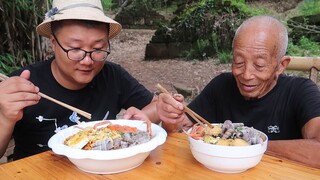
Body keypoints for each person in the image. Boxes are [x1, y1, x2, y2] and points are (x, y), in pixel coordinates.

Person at [0, 0, 159, 160]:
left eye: (97, 49)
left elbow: (156, 106)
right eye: (75, 49)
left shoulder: (113, 76)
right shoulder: (21, 86)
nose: (87, 61)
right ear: (53, 43)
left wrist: (140, 120)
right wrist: (5, 118)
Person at [157, 15, 320, 168]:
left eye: (259, 65)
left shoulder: (300, 91)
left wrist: (249, 145)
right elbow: (181, 130)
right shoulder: (221, 86)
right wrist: (171, 116)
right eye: (239, 62)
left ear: (281, 65)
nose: (247, 75)